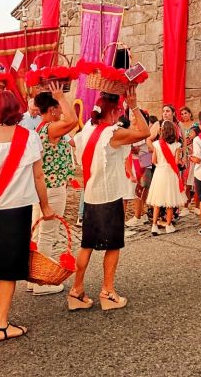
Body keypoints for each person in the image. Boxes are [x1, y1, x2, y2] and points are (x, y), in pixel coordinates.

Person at [0, 90, 53, 341]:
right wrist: (46, 206)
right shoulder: (30, 138)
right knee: (8, 268)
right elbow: (39, 176)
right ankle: (2, 325)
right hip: (17, 210)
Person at [70, 87, 150, 311]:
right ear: (114, 111)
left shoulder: (89, 127)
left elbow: (74, 142)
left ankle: (76, 290)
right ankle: (107, 292)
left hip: (91, 195)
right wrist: (134, 106)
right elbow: (144, 132)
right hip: (109, 195)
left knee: (86, 245)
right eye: (118, 112)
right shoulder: (112, 134)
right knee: (113, 246)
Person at [29, 83, 79, 296]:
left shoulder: (40, 128)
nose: (61, 111)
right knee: (47, 234)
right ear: (52, 110)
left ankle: (33, 278)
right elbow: (73, 120)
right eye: (58, 107)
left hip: (41, 189)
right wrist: (60, 96)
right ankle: (42, 282)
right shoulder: (50, 128)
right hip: (53, 188)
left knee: (38, 233)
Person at [147, 121, 185, 235]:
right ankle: (168, 225)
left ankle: (154, 226)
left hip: (159, 172)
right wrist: (181, 162)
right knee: (170, 200)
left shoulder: (156, 144)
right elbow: (176, 162)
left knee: (157, 201)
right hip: (170, 173)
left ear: (162, 131)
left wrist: (161, 164)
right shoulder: (177, 145)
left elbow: (153, 160)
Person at [179, 106, 198, 210]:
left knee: (192, 179)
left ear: (190, 114)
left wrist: (188, 139)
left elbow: (192, 136)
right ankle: (186, 204)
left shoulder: (195, 125)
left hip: (192, 154)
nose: (184, 115)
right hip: (182, 155)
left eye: (185, 113)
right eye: (182, 114)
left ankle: (193, 203)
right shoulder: (179, 125)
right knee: (185, 180)